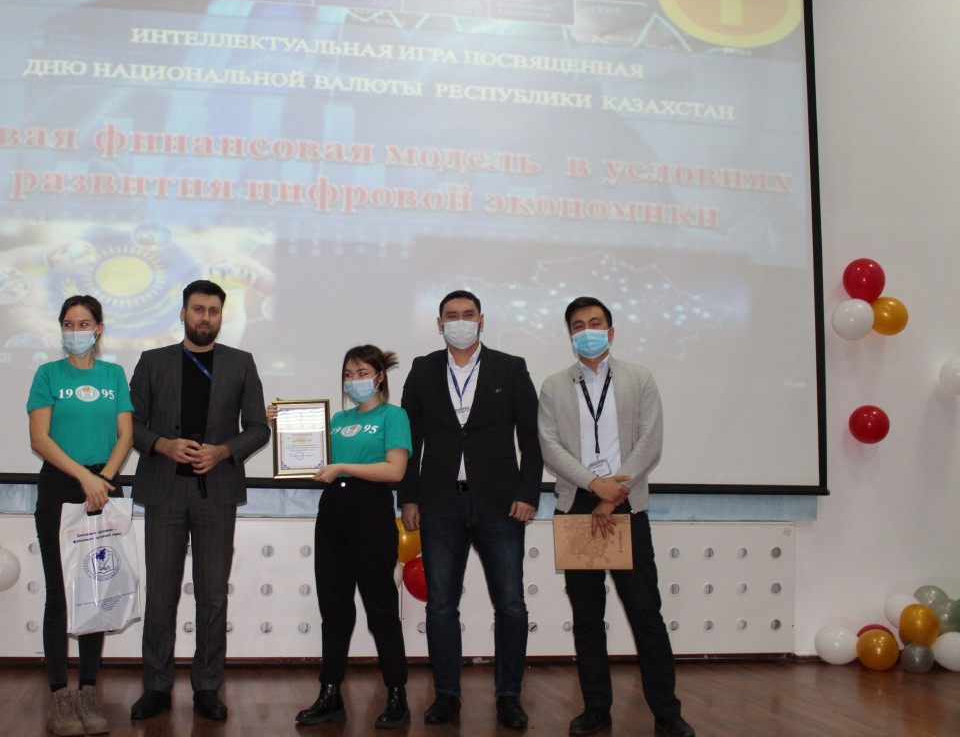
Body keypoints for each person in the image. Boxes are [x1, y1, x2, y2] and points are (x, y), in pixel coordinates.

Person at [537, 296, 695, 737]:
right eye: (578, 325)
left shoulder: (638, 378)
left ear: (610, 330)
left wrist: (613, 492)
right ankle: (596, 709)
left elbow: (650, 441)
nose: (587, 330)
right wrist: (594, 485)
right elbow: (550, 446)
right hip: (578, 505)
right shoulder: (553, 386)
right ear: (570, 335)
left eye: (595, 323)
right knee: (587, 617)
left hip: (627, 504)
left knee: (645, 612)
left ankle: (667, 712)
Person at [399, 290, 543, 729]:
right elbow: (408, 438)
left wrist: (528, 492)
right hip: (439, 502)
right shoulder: (423, 368)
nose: (459, 321)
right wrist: (408, 496)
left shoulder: (511, 367)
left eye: (467, 314)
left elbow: (531, 437)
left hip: (501, 503)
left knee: (511, 604)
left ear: (481, 320)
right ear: (439, 324)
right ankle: (447, 694)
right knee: (441, 605)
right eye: (451, 315)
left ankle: (509, 696)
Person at [128, 279, 270, 721]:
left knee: (212, 596)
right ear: (183, 313)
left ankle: (208, 686)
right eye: (198, 309)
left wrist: (224, 451)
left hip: (216, 493)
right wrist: (163, 445)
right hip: (165, 491)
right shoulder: (153, 362)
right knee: (160, 595)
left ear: (221, 316)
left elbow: (258, 428)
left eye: (213, 311)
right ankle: (156, 686)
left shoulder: (241, 363)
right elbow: (129, 423)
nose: (205, 317)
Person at [272, 346, 412, 729]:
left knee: (381, 609)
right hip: (333, 512)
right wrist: (284, 424)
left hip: (371, 512)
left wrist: (344, 466)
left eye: (362, 373)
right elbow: (310, 458)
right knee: (334, 609)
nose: (354, 381)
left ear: (380, 377)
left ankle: (397, 694)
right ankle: (330, 693)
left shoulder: (393, 415)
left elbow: (395, 470)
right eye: (348, 374)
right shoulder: (335, 419)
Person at [27, 294, 134, 736]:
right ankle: (59, 694)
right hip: (60, 487)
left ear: (98, 328)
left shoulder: (114, 375)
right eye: (68, 324)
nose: (76, 331)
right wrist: (83, 478)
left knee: (97, 590)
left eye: (84, 323)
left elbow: (125, 434)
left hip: (104, 488)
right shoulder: (48, 374)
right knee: (59, 592)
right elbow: (40, 439)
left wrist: (103, 479)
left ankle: (88, 690)